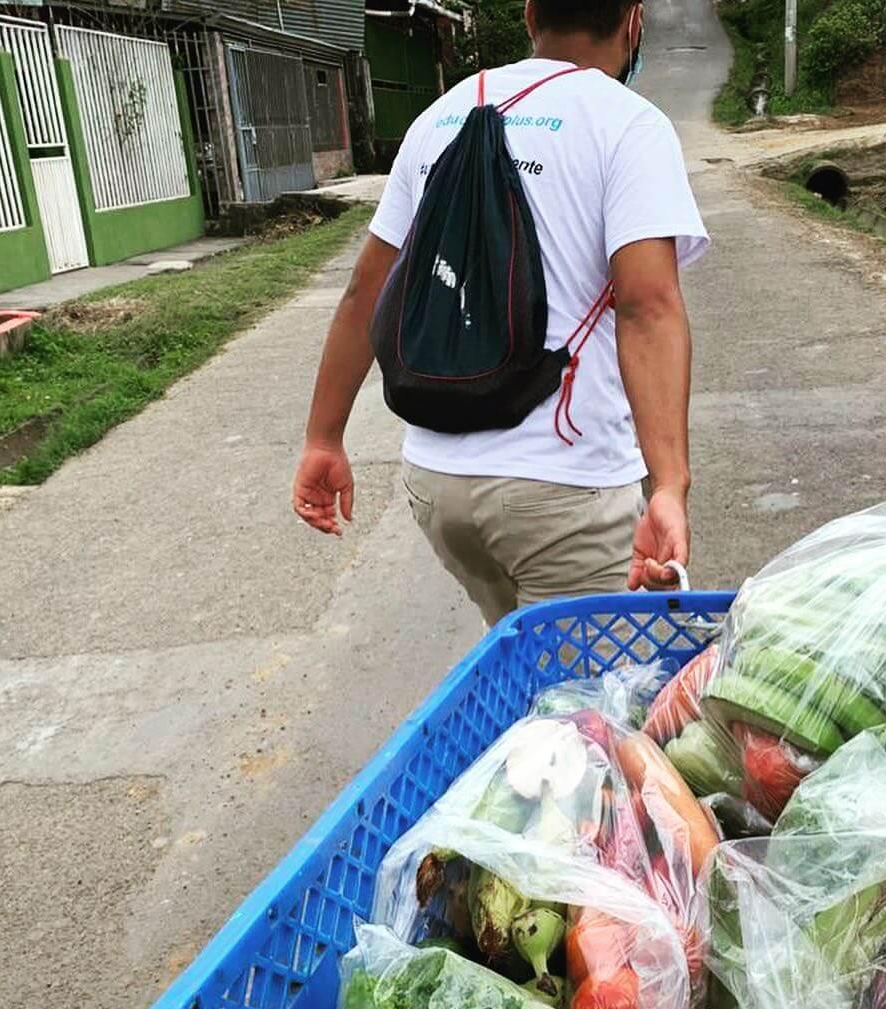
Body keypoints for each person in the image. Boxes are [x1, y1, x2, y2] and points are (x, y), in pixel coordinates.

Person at [292, 0, 708, 625]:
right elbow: (647, 309)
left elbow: (365, 291)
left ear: (529, 14)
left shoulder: (443, 115)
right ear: (634, 21)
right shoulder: (628, 125)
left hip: (437, 483)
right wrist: (668, 486)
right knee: (582, 713)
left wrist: (324, 438)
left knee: (521, 680)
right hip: (564, 492)